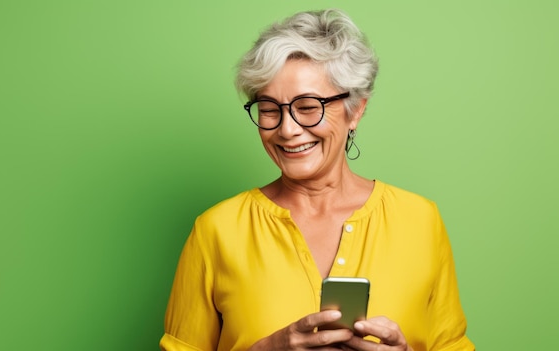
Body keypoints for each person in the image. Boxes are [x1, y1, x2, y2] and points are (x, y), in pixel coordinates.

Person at [159, 8, 474, 351]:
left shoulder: (420, 221)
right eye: (268, 109)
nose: (287, 129)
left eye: (308, 106)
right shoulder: (216, 231)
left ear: (356, 110)